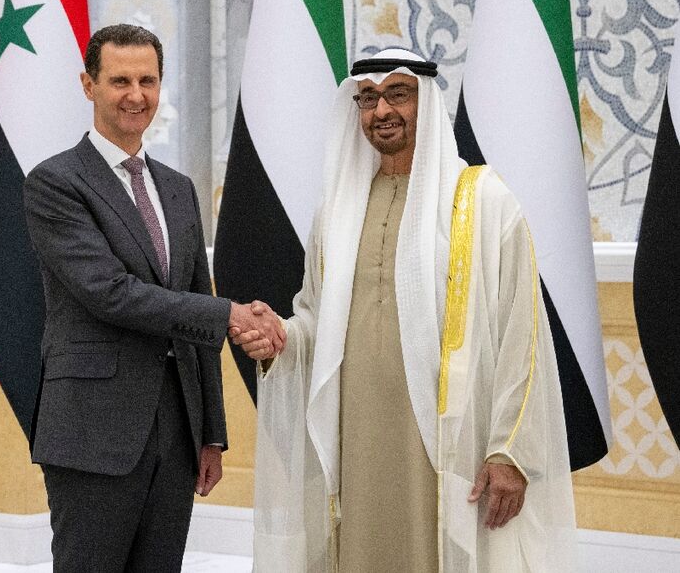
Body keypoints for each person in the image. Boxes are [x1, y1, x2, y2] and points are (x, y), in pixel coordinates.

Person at [232, 49, 577, 572]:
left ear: (427, 102)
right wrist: (279, 336)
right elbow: (315, 319)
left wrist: (509, 449)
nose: (381, 110)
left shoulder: (484, 202)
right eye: (368, 98)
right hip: (358, 441)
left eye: (398, 93)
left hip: (447, 443)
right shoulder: (339, 210)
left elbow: (522, 331)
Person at [23, 24, 284, 571]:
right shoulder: (54, 183)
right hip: (91, 434)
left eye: (148, 80)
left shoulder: (177, 187)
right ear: (87, 85)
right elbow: (111, 294)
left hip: (176, 435)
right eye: (119, 80)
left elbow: (194, 300)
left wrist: (210, 433)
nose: (135, 95)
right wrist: (232, 315)